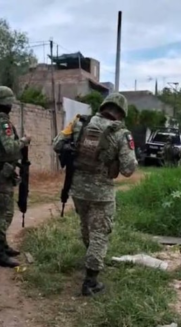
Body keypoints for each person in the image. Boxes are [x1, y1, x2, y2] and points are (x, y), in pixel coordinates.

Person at [52, 93, 137, 296]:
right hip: (102, 193)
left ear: (104, 106)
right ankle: (90, 282)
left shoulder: (80, 122)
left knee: (87, 228)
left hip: (78, 190)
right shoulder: (121, 133)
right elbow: (128, 169)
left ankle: (92, 258)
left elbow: (57, 144)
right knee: (100, 233)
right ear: (121, 112)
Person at [0, 86, 31, 268]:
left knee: (4, 210)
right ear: (6, 103)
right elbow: (10, 147)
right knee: (4, 213)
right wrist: (24, 141)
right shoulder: (2, 122)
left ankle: (3, 246)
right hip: (2, 173)